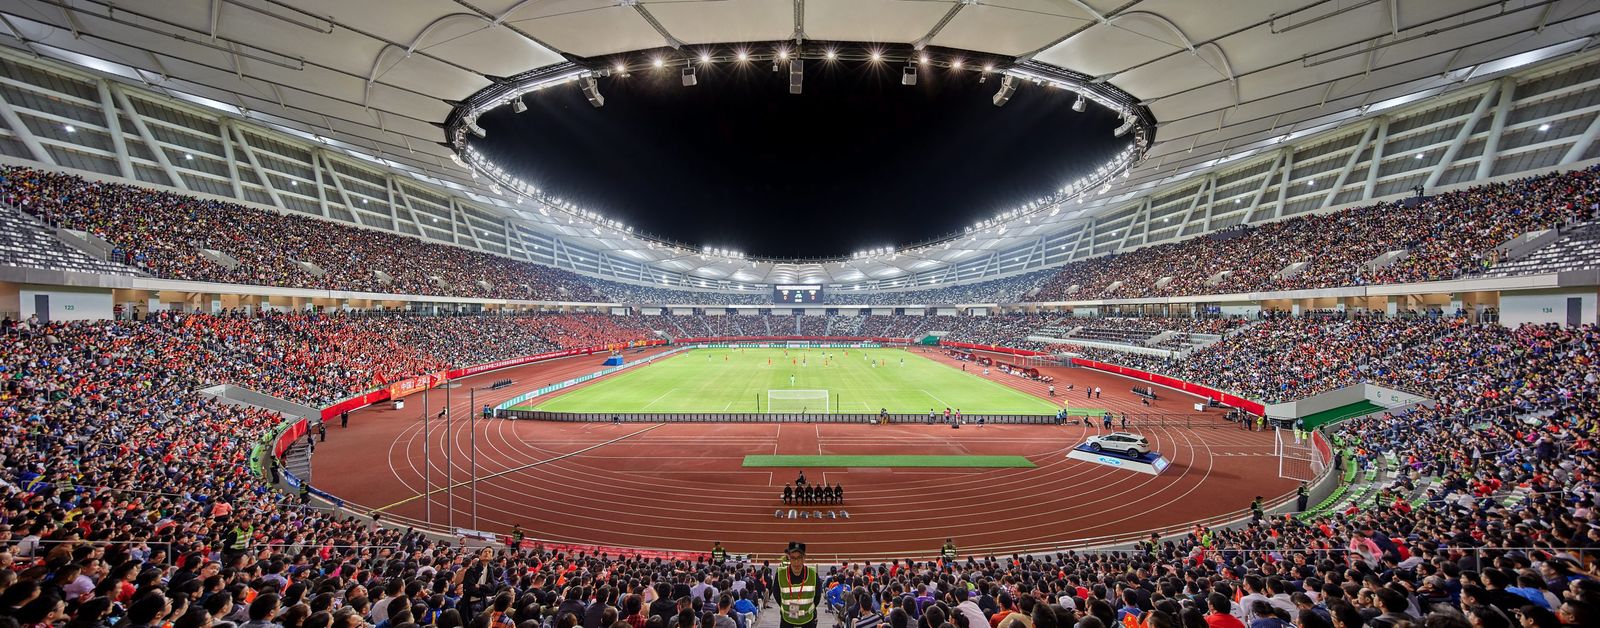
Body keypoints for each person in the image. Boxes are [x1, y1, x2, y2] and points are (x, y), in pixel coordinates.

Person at [774, 542, 821, 628]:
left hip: (808, 621)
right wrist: (787, 608)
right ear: (789, 557)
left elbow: (817, 597)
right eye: (793, 558)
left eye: (799, 557)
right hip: (787, 621)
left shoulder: (813, 574)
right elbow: (776, 595)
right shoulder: (780, 574)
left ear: (804, 557)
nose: (796, 562)